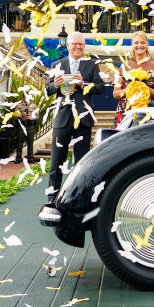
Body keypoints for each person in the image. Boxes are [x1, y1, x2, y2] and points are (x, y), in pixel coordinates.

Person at [43, 32, 105, 206]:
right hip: (62, 118)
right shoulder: (57, 64)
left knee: (81, 162)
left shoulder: (91, 65)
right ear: (68, 45)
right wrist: (55, 84)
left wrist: (83, 84)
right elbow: (47, 90)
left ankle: (79, 198)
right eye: (75, 44)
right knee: (57, 161)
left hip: (83, 119)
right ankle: (52, 198)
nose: (78, 47)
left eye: (81, 45)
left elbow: (100, 88)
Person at [112, 31, 154, 127]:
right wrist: (132, 88)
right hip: (127, 110)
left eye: (142, 42)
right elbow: (115, 94)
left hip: (148, 109)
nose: (139, 45)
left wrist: (144, 88)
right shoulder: (125, 65)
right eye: (136, 43)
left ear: (147, 45)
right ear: (132, 45)